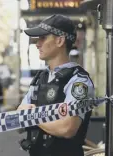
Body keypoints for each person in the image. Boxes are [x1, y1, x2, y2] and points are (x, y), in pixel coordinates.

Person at [17, 14, 95, 156]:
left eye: (43, 38)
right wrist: (23, 116)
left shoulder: (78, 81)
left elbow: (67, 128)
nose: (37, 44)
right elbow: (17, 122)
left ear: (60, 41)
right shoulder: (40, 78)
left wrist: (32, 116)